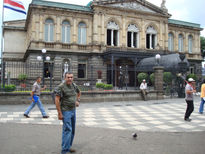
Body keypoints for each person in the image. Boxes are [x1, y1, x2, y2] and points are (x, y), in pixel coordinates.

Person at [55, 72, 81, 154]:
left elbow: (79, 92)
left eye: (71, 77)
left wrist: (77, 100)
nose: (70, 79)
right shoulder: (61, 87)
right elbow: (57, 100)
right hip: (65, 111)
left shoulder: (74, 85)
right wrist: (59, 113)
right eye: (68, 77)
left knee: (72, 130)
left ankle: (68, 146)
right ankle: (64, 150)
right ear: (65, 78)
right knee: (67, 130)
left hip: (73, 110)